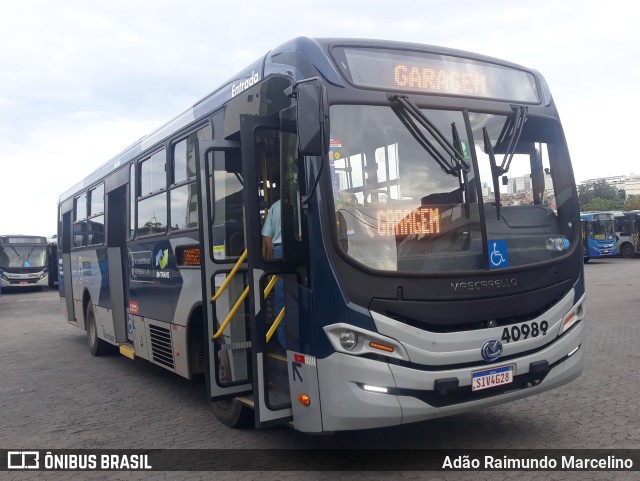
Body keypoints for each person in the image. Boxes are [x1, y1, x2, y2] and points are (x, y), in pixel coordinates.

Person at [261, 198, 286, 350]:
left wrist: (273, 258)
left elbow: (267, 237)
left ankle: (284, 343)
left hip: (280, 250)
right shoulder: (308, 199)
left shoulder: (275, 207)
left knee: (282, 301)